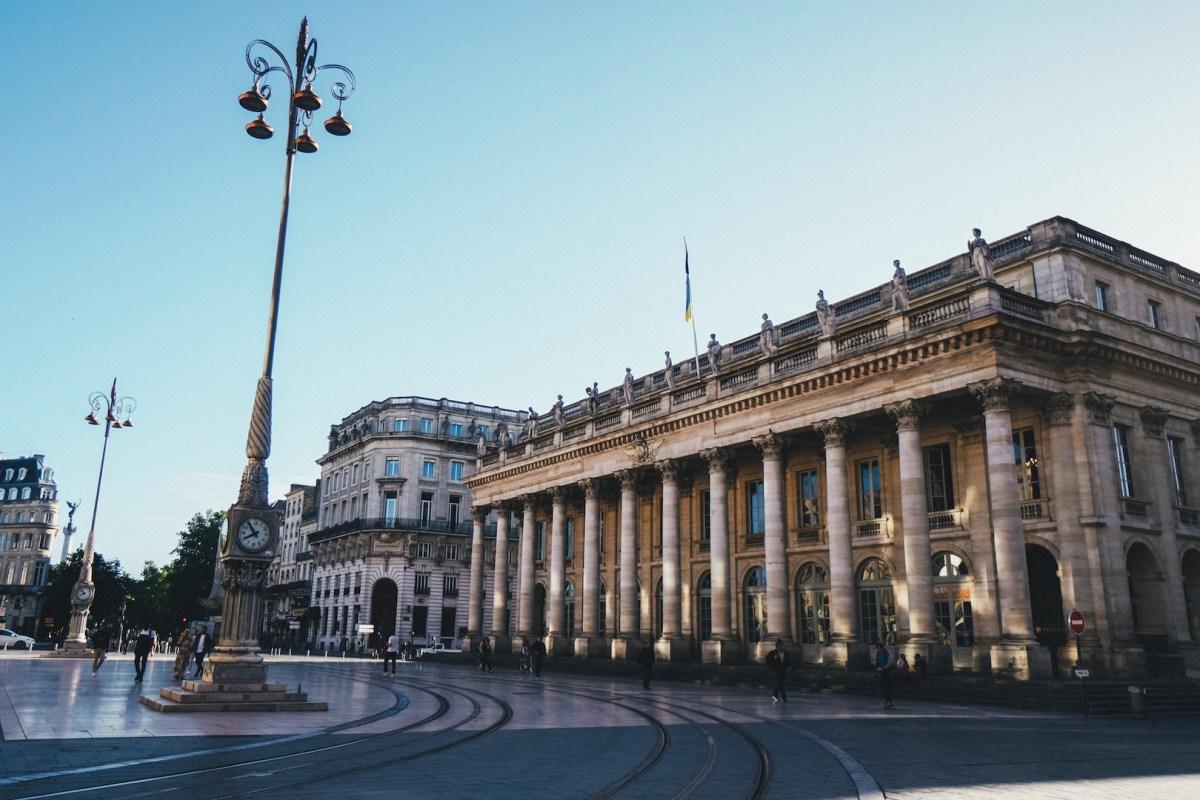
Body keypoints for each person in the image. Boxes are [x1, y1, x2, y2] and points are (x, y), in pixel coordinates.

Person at [766, 638, 791, 703]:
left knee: (781, 683)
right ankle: (783, 697)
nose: (781, 647)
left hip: (783, 670)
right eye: (780, 646)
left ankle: (776, 695)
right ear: (777, 646)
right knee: (780, 682)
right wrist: (771, 666)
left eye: (782, 646)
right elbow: (768, 660)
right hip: (776, 670)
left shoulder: (785, 653)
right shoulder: (772, 653)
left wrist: (788, 667)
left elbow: (788, 661)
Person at [874, 642, 896, 709]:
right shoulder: (878, 653)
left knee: (888, 687)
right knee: (884, 687)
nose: (877, 650)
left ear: (880, 647)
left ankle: (889, 702)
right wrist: (877, 667)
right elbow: (877, 661)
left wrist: (883, 668)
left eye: (878, 648)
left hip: (887, 672)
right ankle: (887, 701)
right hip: (881, 672)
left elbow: (890, 662)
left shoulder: (886, 653)